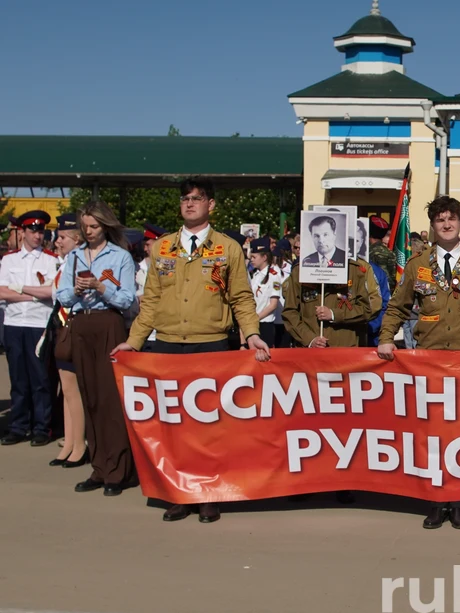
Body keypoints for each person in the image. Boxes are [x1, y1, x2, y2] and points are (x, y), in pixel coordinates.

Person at [113, 178, 271, 524]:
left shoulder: (227, 248)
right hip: (168, 344)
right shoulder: (163, 248)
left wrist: (252, 332)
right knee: (173, 424)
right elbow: (151, 300)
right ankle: (178, 494)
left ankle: (209, 494)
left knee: (208, 425)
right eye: (185, 199)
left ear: (210, 205)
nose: (189, 204)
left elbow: (241, 297)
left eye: (197, 199)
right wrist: (135, 340)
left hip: (210, 343)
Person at [377, 196, 460, 530]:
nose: (447, 224)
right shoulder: (417, 264)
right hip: (430, 361)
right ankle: (436, 501)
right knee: (432, 433)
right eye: (440, 219)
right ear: (433, 226)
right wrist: (385, 337)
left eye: (452, 218)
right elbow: (398, 306)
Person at [54, 202, 136, 497]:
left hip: (109, 324)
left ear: (106, 226)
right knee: (89, 397)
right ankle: (99, 466)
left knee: (110, 398)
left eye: (94, 226)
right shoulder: (74, 256)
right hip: (81, 324)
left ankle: (119, 469)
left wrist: (101, 287)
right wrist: (75, 290)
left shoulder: (121, 256)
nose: (89, 232)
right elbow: (60, 295)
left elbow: (127, 299)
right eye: (85, 226)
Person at [0, 210, 61, 446]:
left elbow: (52, 294)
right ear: (22, 232)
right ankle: (18, 426)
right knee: (18, 378)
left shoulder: (50, 259)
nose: (38, 235)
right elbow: (2, 292)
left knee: (40, 379)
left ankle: (41, 427)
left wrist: (19, 290)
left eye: (41, 230)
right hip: (14, 323)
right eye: (33, 230)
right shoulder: (9, 260)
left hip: (39, 325)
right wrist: (33, 296)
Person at [47, 214, 88, 467]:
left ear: (76, 239)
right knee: (67, 391)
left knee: (74, 392)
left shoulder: (79, 264)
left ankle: (79, 444)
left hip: (74, 328)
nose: (57, 242)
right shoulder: (64, 264)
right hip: (62, 328)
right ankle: (70, 442)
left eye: (62, 237)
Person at [248, 237, 288, 349]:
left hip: (264, 323)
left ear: (264, 257)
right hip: (254, 322)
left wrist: (255, 318)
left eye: (254, 257)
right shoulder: (256, 275)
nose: (251, 260)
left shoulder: (273, 275)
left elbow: (273, 305)